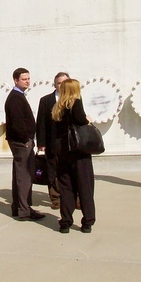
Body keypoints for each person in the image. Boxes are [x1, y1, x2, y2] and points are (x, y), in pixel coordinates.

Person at [51, 79, 96, 233]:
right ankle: (87, 222)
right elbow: (80, 120)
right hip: (78, 152)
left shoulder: (58, 106)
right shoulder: (75, 102)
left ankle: (65, 221)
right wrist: (88, 120)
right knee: (85, 186)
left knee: (66, 187)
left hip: (63, 152)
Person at [5, 68, 45, 221]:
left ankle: (19, 207)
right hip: (21, 143)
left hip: (21, 141)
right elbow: (17, 123)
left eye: (28, 78)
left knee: (20, 174)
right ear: (16, 80)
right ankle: (24, 209)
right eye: (24, 79)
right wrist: (26, 139)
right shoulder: (15, 98)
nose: (27, 81)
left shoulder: (18, 96)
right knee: (25, 176)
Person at [36, 72, 69, 210]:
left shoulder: (74, 98)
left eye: (65, 82)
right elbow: (41, 123)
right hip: (52, 142)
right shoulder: (45, 100)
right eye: (59, 83)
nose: (62, 85)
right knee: (52, 170)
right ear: (55, 84)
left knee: (70, 170)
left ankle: (75, 197)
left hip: (69, 142)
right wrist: (41, 144)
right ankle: (56, 199)